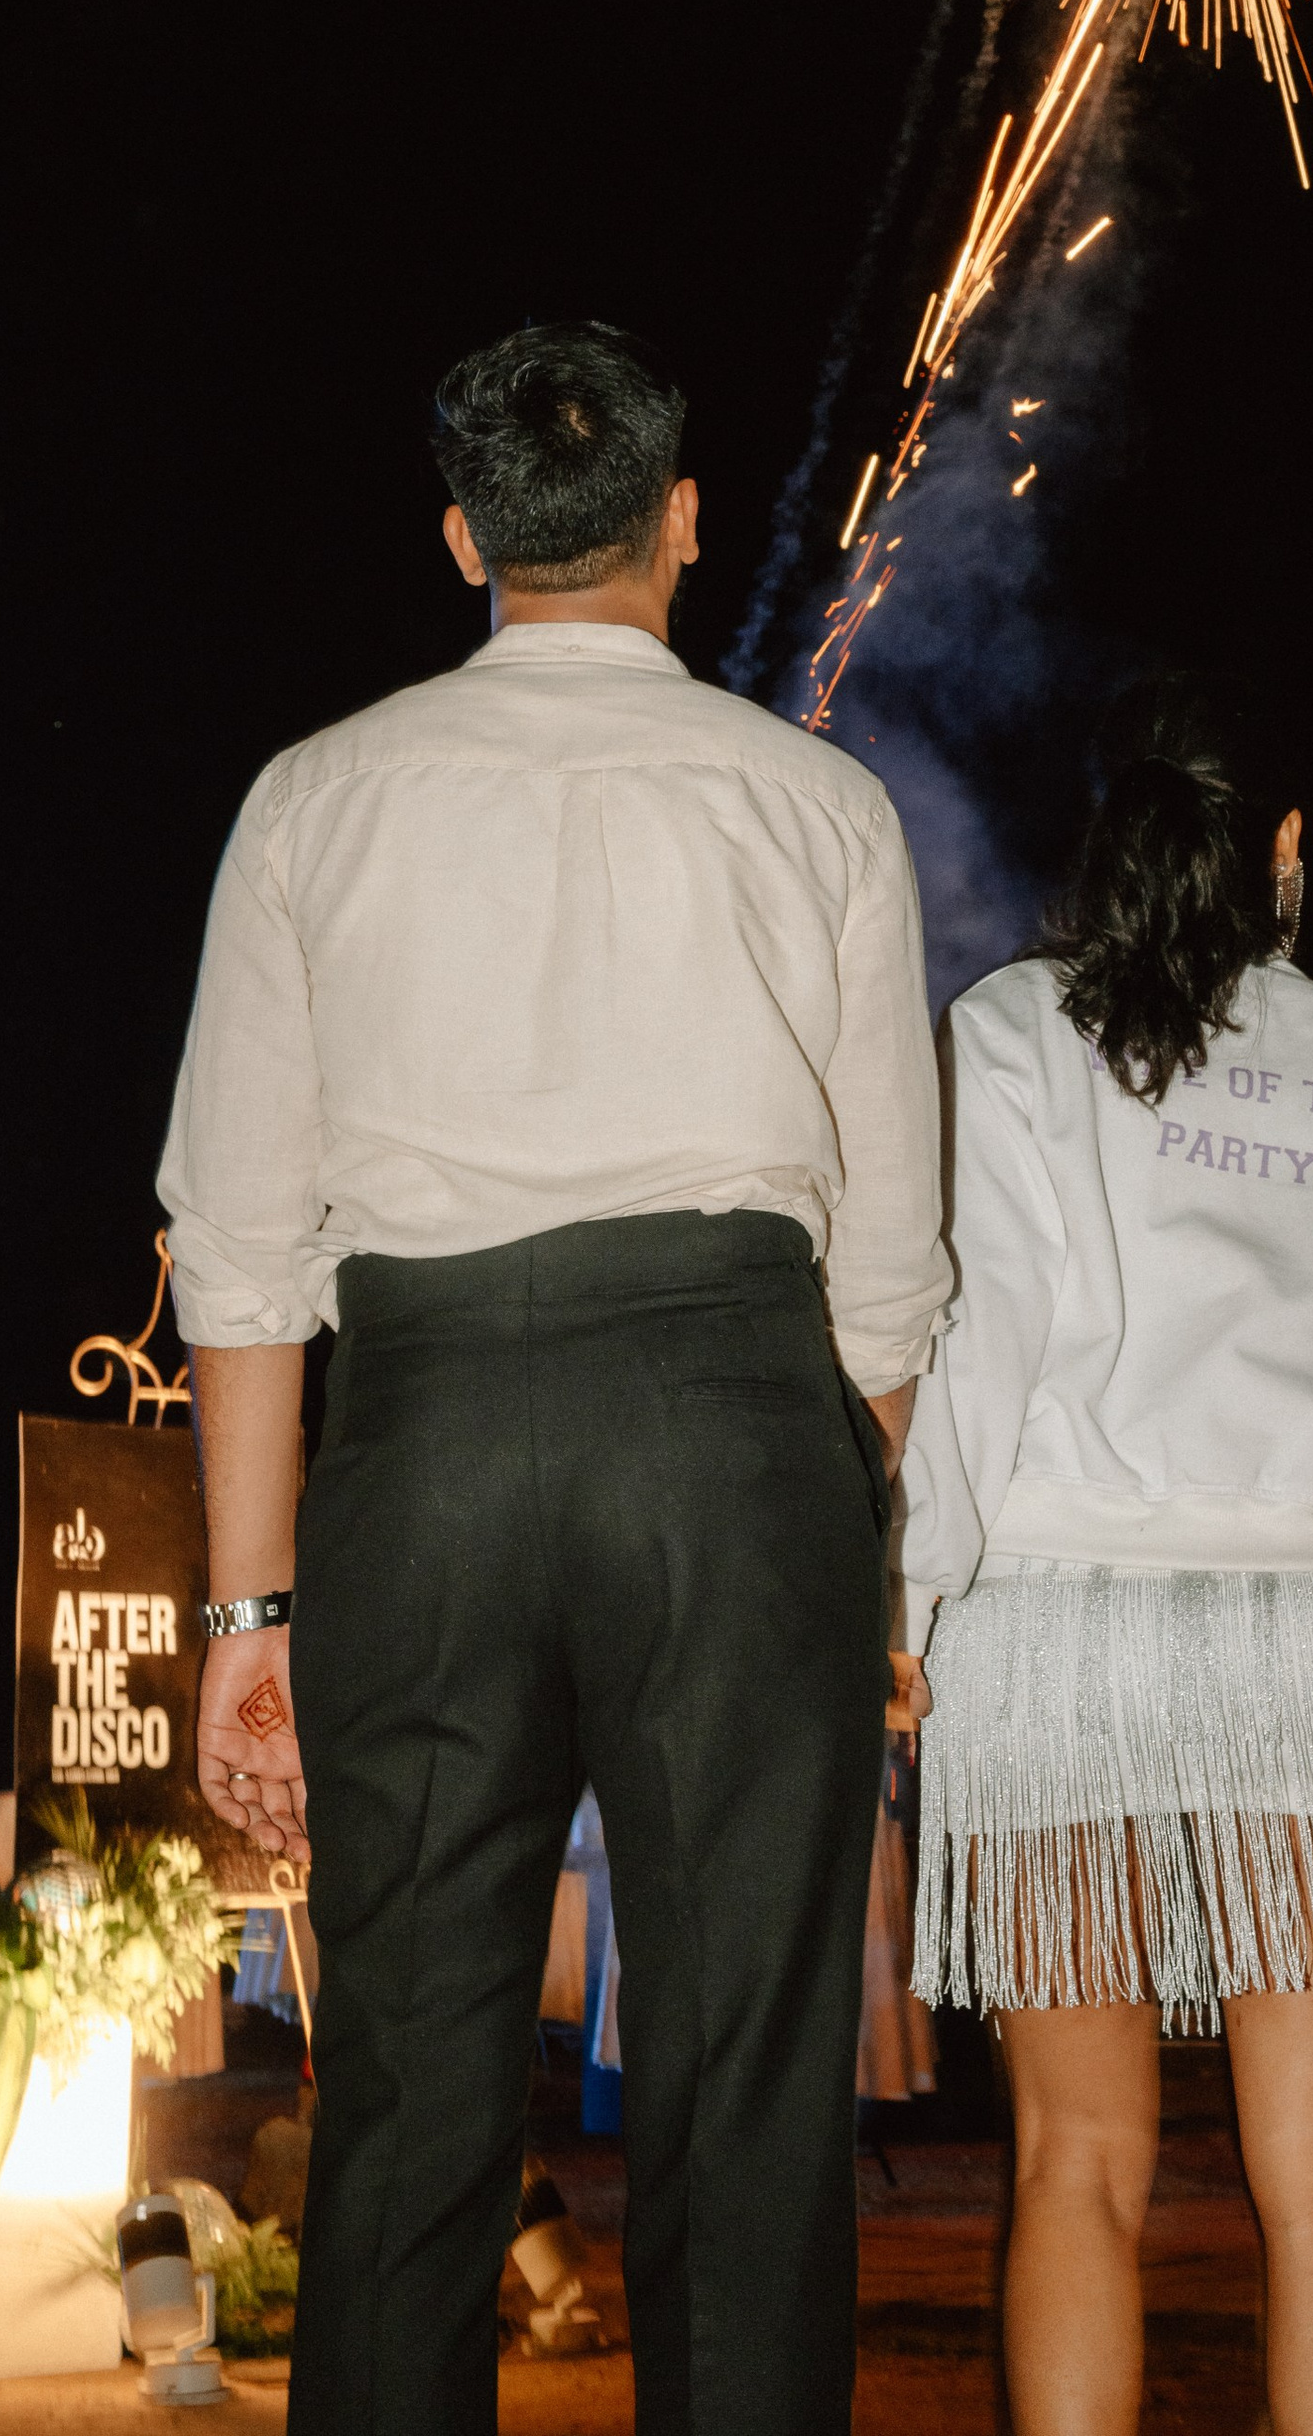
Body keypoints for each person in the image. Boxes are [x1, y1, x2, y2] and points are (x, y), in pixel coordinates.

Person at [157, 321, 947, 2433]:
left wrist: (247, 1619)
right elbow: (890, 1272)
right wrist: (847, 1533)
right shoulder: (821, 806)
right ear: (684, 522)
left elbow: (238, 1253)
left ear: (461, 541)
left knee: (409, 2084)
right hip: (738, 1433)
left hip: (424, 1440)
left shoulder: (312, 799)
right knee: (744, 2085)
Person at [895, 686, 1313, 2436]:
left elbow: (970, 1352)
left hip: (1053, 1635)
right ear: (1287, 853)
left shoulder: (1007, 1035)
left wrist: (908, 1604)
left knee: (1073, 2163)